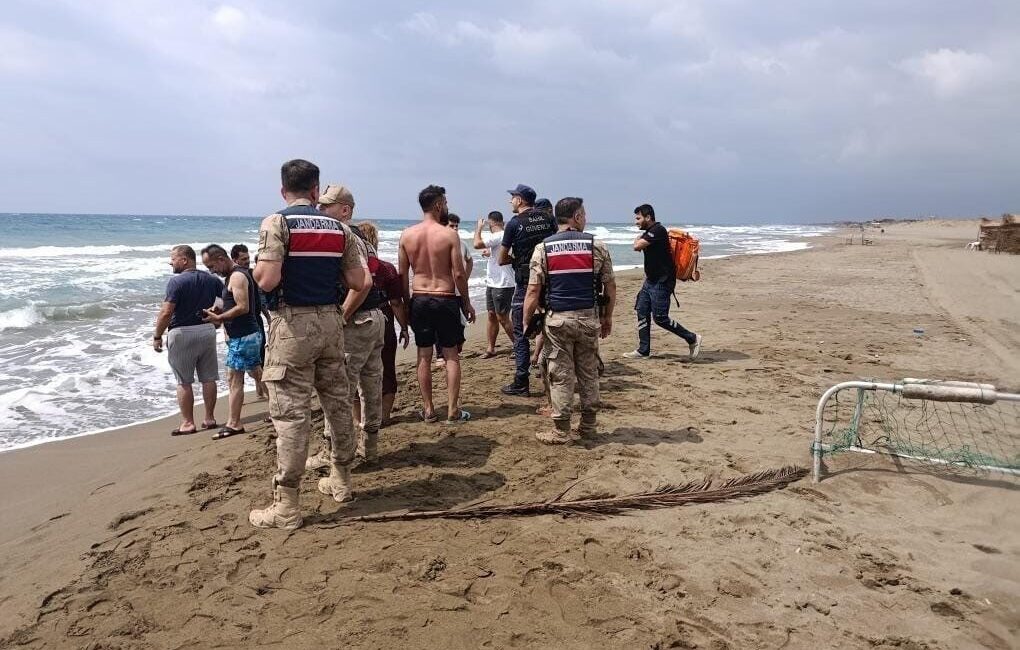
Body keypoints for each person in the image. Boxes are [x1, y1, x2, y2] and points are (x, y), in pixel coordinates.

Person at [248, 159, 368, 530]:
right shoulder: (339, 229)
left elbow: (267, 280)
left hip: (292, 325)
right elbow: (358, 280)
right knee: (337, 403)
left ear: (284, 190)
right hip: (331, 321)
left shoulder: (277, 223)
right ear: (316, 191)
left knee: (292, 415)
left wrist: (254, 270)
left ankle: (286, 505)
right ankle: (341, 480)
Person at [304, 183, 385, 466]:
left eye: (326, 206)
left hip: (358, 320)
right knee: (371, 385)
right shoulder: (363, 235)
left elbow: (363, 283)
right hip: (374, 317)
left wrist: (341, 316)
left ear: (345, 209)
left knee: (339, 391)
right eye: (320, 205)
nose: (320, 209)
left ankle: (333, 452)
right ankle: (370, 446)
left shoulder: (345, 233)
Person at [523, 197, 616, 444]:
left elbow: (533, 291)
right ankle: (588, 426)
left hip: (558, 321)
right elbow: (610, 286)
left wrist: (526, 321)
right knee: (588, 373)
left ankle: (561, 430)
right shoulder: (597, 246)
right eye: (584, 214)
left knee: (560, 374)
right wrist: (607, 318)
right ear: (576, 217)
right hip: (588, 319)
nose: (586, 219)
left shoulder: (543, 248)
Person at [398, 184, 476, 424]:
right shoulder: (449, 235)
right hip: (444, 298)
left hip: (420, 298)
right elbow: (459, 274)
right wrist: (466, 303)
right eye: (446, 202)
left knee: (424, 356)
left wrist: (407, 303)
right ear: (438, 205)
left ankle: (429, 409)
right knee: (451, 355)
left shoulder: (407, 235)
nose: (447, 206)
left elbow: (403, 275)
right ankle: (453, 410)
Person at [152, 245, 223, 436]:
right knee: (208, 377)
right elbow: (224, 299)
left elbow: (167, 312)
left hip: (182, 332)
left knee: (184, 381)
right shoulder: (211, 279)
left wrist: (157, 335)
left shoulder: (177, 282)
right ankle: (209, 418)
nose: (170, 262)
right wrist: (216, 316)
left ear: (184, 260)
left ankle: (188, 423)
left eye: (173, 258)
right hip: (207, 330)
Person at [498, 183, 556, 396]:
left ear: (520, 200)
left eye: (512, 197)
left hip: (526, 281)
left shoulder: (514, 223)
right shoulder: (549, 219)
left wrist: (517, 259)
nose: (510, 201)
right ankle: (553, 373)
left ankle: (522, 380)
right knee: (551, 326)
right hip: (550, 280)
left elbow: (501, 257)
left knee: (521, 331)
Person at [200, 244, 263, 439]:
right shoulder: (231, 277)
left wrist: (219, 319)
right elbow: (226, 301)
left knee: (235, 379)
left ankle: (234, 423)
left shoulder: (237, 276)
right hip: (246, 334)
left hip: (244, 335)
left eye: (211, 266)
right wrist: (216, 310)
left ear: (221, 259)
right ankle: (280, 408)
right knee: (257, 374)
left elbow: (243, 306)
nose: (211, 271)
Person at [623, 204, 702, 360]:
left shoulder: (657, 231)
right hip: (650, 280)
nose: (636, 222)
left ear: (648, 217)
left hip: (662, 281)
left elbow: (637, 246)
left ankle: (692, 338)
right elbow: (639, 246)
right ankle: (643, 350)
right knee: (641, 310)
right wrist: (639, 239)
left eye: (638, 218)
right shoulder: (649, 232)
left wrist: (638, 240)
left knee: (660, 318)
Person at [357, 221, 410, 426]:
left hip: (356, 319)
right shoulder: (386, 269)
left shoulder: (348, 270)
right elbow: (396, 302)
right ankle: (384, 416)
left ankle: (358, 418)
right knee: (386, 367)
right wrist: (404, 327)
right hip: (383, 318)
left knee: (355, 371)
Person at [231, 243, 271, 399]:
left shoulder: (252, 275)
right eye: (243, 259)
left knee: (258, 359)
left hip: (255, 322)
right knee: (240, 366)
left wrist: (267, 317)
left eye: (248, 258)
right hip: (241, 325)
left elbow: (258, 300)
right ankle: (258, 391)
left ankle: (262, 392)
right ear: (235, 259)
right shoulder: (235, 277)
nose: (247, 261)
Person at [473, 211, 515, 358]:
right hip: (493, 282)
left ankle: (518, 345)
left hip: (503, 283)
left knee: (502, 317)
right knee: (491, 315)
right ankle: (491, 348)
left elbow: (476, 243)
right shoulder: (500, 238)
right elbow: (500, 252)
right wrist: (489, 253)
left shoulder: (499, 235)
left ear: (491, 223)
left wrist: (478, 228)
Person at [433, 213, 473, 367]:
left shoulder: (462, 244)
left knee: (461, 323)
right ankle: (440, 354)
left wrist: (466, 277)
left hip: (459, 290)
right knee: (440, 324)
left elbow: (469, 261)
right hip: (443, 292)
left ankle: (457, 346)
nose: (455, 228)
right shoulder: (438, 243)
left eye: (457, 226)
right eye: (452, 225)